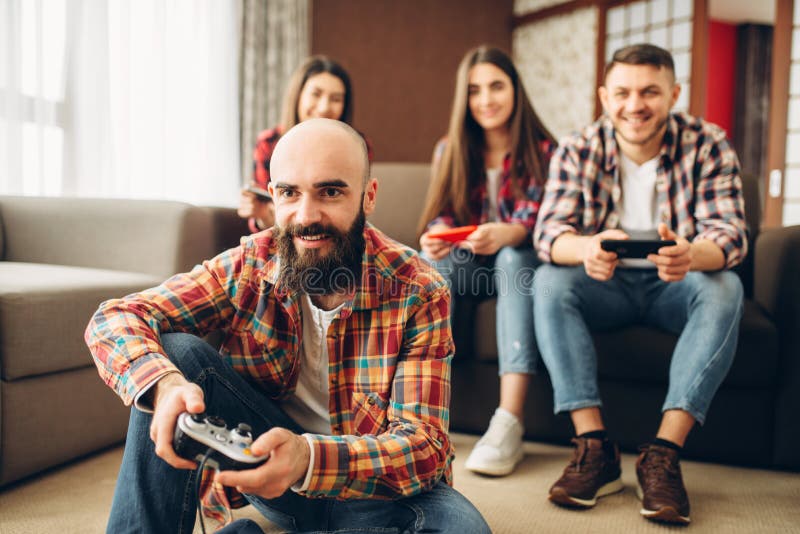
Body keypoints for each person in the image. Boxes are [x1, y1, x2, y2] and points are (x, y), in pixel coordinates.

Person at [85, 119, 490, 534]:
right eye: (289, 193)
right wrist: (166, 385)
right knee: (177, 354)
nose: (306, 215)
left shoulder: (419, 289)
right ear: (273, 195)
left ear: (369, 197)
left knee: (463, 528)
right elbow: (116, 317)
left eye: (330, 191)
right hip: (274, 479)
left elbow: (424, 446)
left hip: (376, 493)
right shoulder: (248, 265)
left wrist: (308, 457)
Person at [533, 43, 747, 525]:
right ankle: (594, 449)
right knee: (548, 280)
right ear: (605, 97)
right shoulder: (578, 147)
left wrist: (692, 255)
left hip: (676, 285)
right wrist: (587, 247)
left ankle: (664, 454)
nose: (636, 105)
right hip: (603, 287)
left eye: (650, 92)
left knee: (725, 286)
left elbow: (730, 236)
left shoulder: (708, 143)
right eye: (624, 93)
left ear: (673, 93)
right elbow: (549, 235)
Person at [417, 45, 555, 477]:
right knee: (428, 262)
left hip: (522, 262)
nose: (486, 99)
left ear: (516, 90)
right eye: (475, 90)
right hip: (472, 263)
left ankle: (508, 422)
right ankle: (423, 415)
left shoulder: (546, 150)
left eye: (496, 86)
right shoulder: (450, 149)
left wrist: (511, 232)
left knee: (514, 257)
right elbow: (442, 211)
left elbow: (551, 223)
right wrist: (437, 237)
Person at [238, 55, 371, 234]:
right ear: (298, 96)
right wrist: (262, 215)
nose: (324, 107)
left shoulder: (358, 147)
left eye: (336, 99)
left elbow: (356, 211)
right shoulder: (269, 143)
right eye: (316, 94)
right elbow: (266, 219)